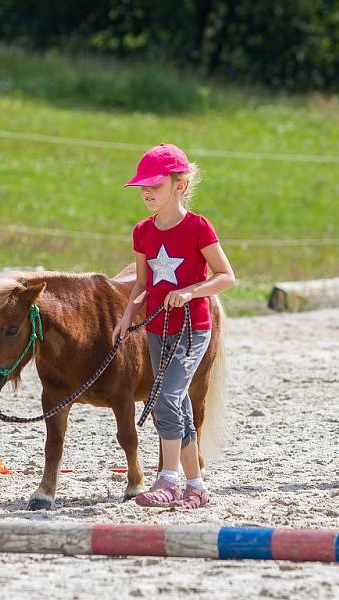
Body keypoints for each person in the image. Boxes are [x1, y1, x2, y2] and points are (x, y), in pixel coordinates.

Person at [113, 144, 235, 509]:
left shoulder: (198, 227)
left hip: (192, 329)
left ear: (180, 185)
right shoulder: (142, 232)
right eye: (142, 187)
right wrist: (125, 316)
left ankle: (168, 479)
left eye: (155, 185)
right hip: (155, 329)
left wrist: (190, 292)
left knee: (165, 396)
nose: (147, 193)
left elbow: (226, 277)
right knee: (176, 400)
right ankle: (195, 485)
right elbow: (142, 284)